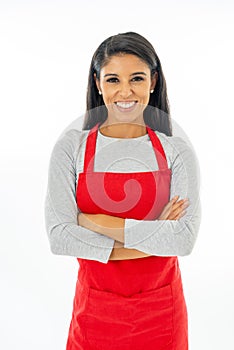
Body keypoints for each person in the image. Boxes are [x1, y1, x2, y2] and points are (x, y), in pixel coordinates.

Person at [44, 31, 201, 350]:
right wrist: (155, 233)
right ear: (98, 83)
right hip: (95, 314)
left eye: (137, 78)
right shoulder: (71, 148)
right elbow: (60, 238)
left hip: (161, 315)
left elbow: (182, 240)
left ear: (153, 82)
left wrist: (88, 221)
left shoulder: (176, 151)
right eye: (113, 79)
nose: (125, 91)